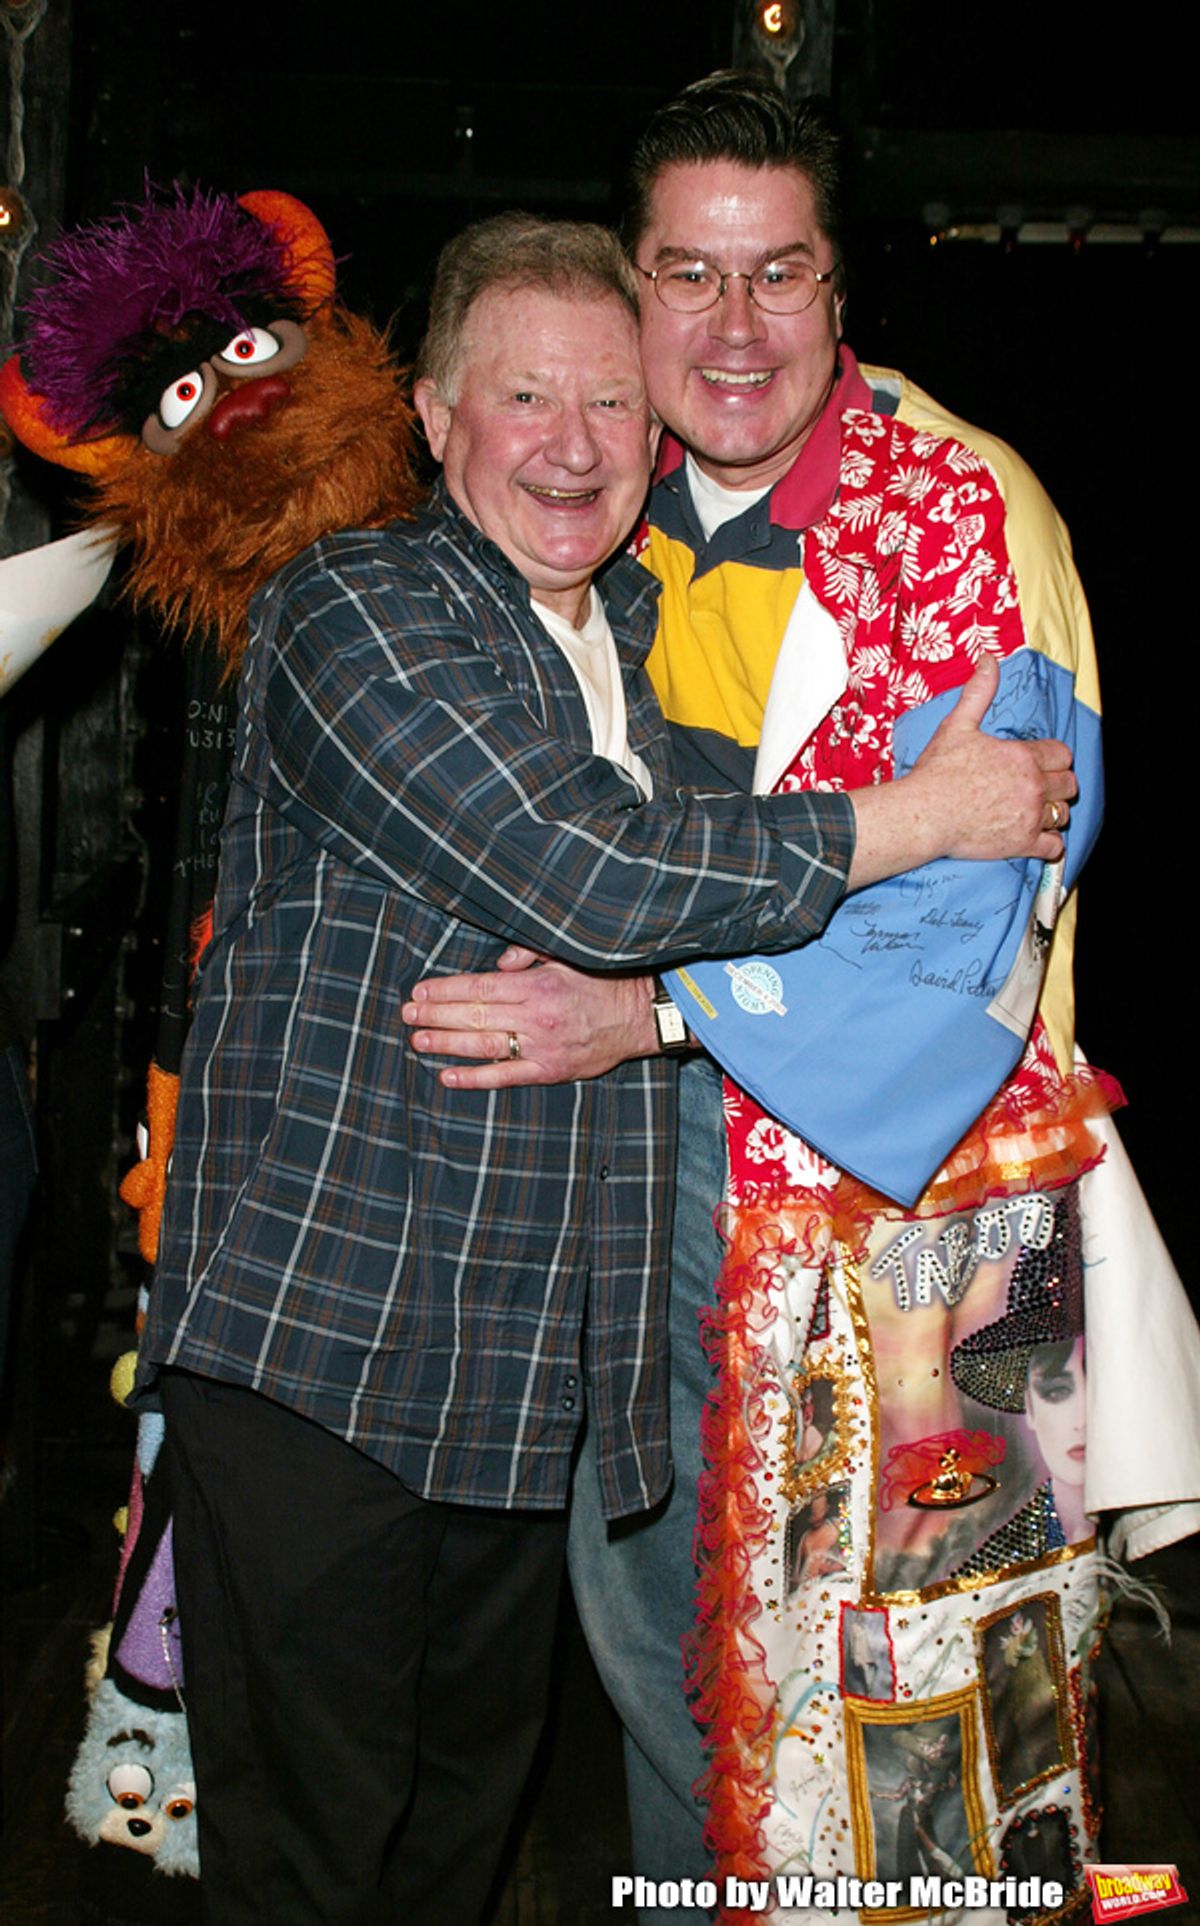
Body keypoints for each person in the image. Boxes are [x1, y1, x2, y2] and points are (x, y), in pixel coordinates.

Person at [126, 208, 1069, 1926]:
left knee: (452, 1862)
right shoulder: (354, 607)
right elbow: (602, 872)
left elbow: (739, 882)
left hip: (518, 1407)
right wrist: (928, 813)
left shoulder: (635, 648)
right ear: (434, 416)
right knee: (314, 1871)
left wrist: (903, 786)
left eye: (612, 406)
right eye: (525, 399)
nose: (574, 446)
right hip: (324, 1375)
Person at [404, 74, 1200, 1925]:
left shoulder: (964, 507)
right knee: (672, 1661)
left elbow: (971, 928)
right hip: (623, 1175)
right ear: (632, 274)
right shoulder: (592, 480)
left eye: (783, 276)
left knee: (918, 1731)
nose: (733, 329)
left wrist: (655, 1013)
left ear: (847, 293)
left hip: (912, 1214)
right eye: (688, 273)